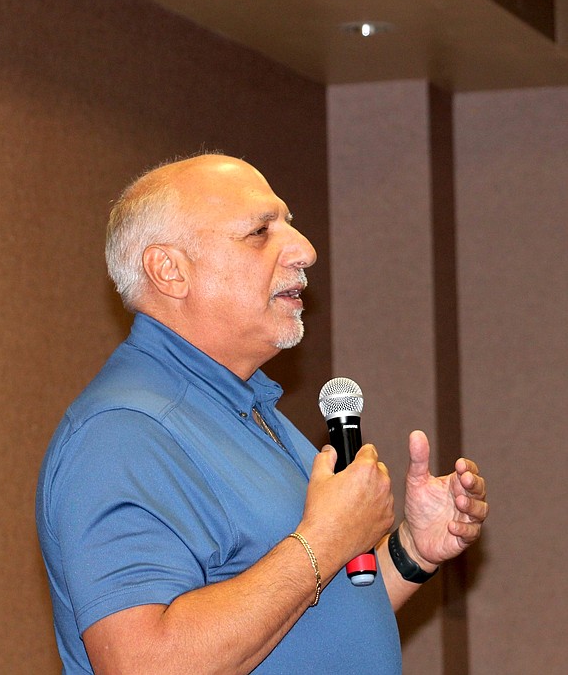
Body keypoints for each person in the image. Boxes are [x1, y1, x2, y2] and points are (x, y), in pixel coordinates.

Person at [36, 153, 488, 674]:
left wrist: (412, 551)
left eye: (288, 225)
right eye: (260, 231)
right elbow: (147, 664)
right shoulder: (120, 433)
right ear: (170, 270)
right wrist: (323, 539)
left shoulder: (248, 409)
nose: (305, 250)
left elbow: (306, 621)